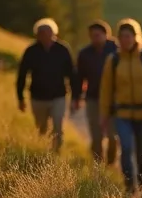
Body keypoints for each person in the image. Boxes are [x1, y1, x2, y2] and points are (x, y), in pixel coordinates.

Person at [99, 19, 142, 194]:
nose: (126, 40)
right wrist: (104, 115)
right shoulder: (114, 60)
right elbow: (106, 89)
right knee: (126, 148)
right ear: (118, 38)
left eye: (129, 36)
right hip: (122, 113)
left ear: (136, 37)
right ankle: (129, 185)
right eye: (122, 36)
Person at [17, 18, 80, 152]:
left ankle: (56, 153)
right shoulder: (31, 51)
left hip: (58, 97)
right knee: (42, 128)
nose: (45, 35)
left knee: (58, 126)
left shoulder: (63, 50)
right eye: (41, 33)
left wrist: (75, 97)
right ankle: (43, 152)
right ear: (37, 35)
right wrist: (20, 98)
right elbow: (22, 74)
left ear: (54, 33)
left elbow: (71, 74)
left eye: (47, 32)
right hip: (37, 97)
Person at [75, 20, 118, 164]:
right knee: (96, 135)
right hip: (93, 98)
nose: (95, 38)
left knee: (113, 135)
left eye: (98, 35)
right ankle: (97, 166)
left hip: (114, 99)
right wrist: (76, 97)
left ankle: (111, 163)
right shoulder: (84, 54)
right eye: (92, 36)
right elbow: (79, 77)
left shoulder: (116, 51)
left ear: (106, 35)